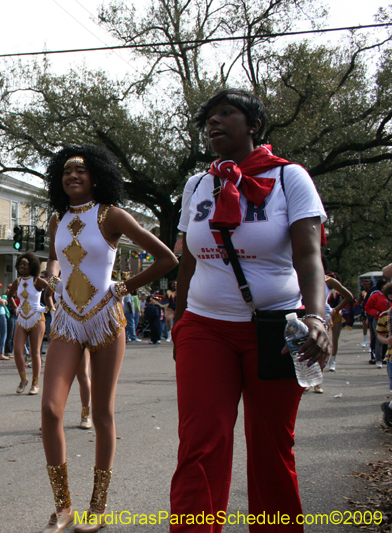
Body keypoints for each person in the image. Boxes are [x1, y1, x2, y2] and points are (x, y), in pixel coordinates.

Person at [170, 89, 330, 533]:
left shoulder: (289, 179)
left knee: (270, 447)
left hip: (279, 328)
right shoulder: (199, 185)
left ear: (254, 124)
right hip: (205, 328)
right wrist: (180, 322)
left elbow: (309, 257)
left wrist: (316, 317)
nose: (214, 123)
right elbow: (188, 260)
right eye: (209, 119)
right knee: (201, 445)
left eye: (226, 114)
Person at [39, 145, 177, 532]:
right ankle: (63, 507)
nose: (73, 176)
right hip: (67, 319)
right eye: (66, 172)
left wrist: (125, 287)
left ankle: (97, 508)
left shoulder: (112, 215)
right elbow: (55, 257)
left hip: (105, 320)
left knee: (102, 413)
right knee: (50, 410)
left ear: (96, 177)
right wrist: (50, 278)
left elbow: (167, 259)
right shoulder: (58, 219)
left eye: (81, 171)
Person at [8, 251, 46, 394]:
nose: (22, 267)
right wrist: (15, 307)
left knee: (35, 352)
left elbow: (52, 290)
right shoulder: (17, 282)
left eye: (25, 264)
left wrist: (46, 307)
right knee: (17, 350)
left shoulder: (37, 281)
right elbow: (9, 295)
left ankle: (35, 384)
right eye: (20, 264)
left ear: (32, 266)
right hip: (22, 318)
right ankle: (23, 379)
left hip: (37, 318)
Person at [325, 273, 353, 372]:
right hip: (325, 315)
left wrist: (336, 310)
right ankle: (324, 361)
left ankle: (333, 360)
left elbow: (348, 298)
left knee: (335, 339)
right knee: (325, 339)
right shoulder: (322, 287)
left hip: (335, 315)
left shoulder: (338, 292)